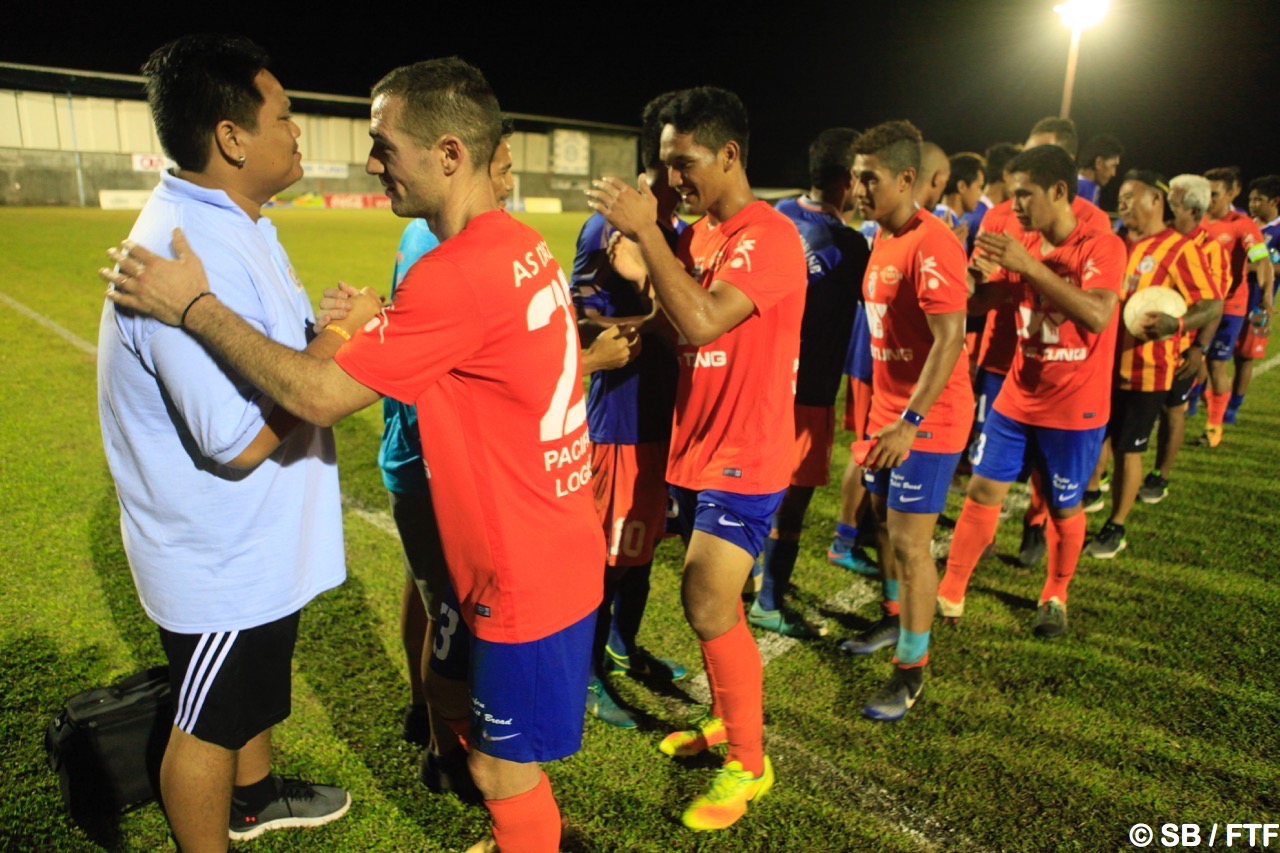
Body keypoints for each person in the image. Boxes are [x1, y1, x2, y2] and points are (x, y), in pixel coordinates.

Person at [102, 57, 604, 853]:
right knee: (449, 699)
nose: (372, 163)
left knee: (501, 771)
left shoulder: (453, 276)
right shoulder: (517, 244)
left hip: (522, 572)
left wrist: (193, 305)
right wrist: (365, 325)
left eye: (384, 145)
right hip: (524, 545)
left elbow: (314, 394)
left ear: (448, 154)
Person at [95, 35, 350, 851]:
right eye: (284, 117)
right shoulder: (179, 250)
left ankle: (256, 796)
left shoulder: (238, 222)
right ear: (233, 138)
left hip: (255, 541)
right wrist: (332, 350)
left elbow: (264, 356)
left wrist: (315, 336)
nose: (297, 131)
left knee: (245, 696)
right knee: (206, 722)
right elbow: (235, 441)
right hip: (219, 554)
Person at [586, 86, 806, 830]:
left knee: (706, 601)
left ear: (730, 155)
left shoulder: (767, 236)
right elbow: (676, 315)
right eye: (665, 164)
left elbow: (707, 321)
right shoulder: (704, 235)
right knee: (716, 605)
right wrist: (614, 318)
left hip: (746, 452)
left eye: (685, 163)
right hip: (696, 446)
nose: (672, 177)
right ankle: (726, 719)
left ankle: (749, 762)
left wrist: (649, 236)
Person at [386, 118, 522, 804]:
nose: (510, 182)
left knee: (425, 588)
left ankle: (422, 710)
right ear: (464, 161)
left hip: (413, 454)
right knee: (448, 608)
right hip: (427, 458)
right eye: (504, 167)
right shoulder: (440, 247)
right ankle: (444, 753)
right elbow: (454, 368)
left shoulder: (436, 239)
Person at [936, 144, 1125, 637]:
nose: (1014, 205)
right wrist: (962, 272)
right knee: (982, 489)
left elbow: (1099, 315)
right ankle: (950, 591)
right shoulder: (1018, 240)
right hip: (1017, 396)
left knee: (1063, 506)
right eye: (1012, 194)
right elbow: (981, 303)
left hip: (1076, 408)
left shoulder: (1102, 245)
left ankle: (1055, 595)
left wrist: (1031, 266)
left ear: (1059, 191)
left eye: (1025, 195)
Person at [836, 120, 973, 721]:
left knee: (913, 546)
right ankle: (894, 618)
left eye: (870, 178)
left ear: (906, 178)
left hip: (929, 419)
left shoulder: (931, 242)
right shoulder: (881, 239)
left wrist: (910, 421)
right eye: (855, 177)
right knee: (883, 526)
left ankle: (911, 670)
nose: (858, 189)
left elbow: (950, 339)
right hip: (887, 415)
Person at [570, 91, 688, 729]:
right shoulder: (606, 228)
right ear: (661, 164)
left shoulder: (676, 230)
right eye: (682, 163)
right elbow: (577, 319)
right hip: (617, 420)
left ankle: (622, 646)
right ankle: (587, 675)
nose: (689, 178)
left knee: (641, 551)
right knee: (607, 559)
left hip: (663, 418)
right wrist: (651, 317)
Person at [756, 127, 870, 637]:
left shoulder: (776, 213)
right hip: (810, 392)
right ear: (849, 180)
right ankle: (769, 601)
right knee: (793, 501)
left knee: (756, 485)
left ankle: (750, 579)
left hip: (761, 380)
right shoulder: (850, 245)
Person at [1083, 170, 1221, 558]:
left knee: (1128, 449)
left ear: (1156, 201)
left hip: (1145, 370)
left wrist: (1178, 326)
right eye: (1121, 197)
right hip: (1099, 364)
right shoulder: (1113, 241)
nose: (1122, 202)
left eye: (1130, 196)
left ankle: (1116, 526)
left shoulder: (1179, 249)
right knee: (1095, 437)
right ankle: (1089, 493)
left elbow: (1212, 303)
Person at [1138, 175, 1225, 504]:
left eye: (1172, 204)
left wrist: (1198, 348)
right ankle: (1101, 473)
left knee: (1172, 408)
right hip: (1142, 342)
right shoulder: (1156, 238)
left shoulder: (1211, 248)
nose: (1164, 208)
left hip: (1181, 345)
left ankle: (1160, 475)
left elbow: (1213, 305)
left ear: (1193, 210)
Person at [1197, 166, 1275, 440]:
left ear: (1232, 193)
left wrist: (1266, 296)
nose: (1208, 199)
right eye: (1206, 193)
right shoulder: (1197, 220)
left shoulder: (1242, 224)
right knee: (1192, 358)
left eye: (1214, 194)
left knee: (1217, 363)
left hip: (1230, 306)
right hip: (1198, 303)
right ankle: (1191, 404)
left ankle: (1214, 427)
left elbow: (1262, 260)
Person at [1076, 134, 1124, 206]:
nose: (1113, 173)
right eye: (1113, 166)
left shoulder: (1070, 185)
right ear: (1099, 163)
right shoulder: (1087, 189)